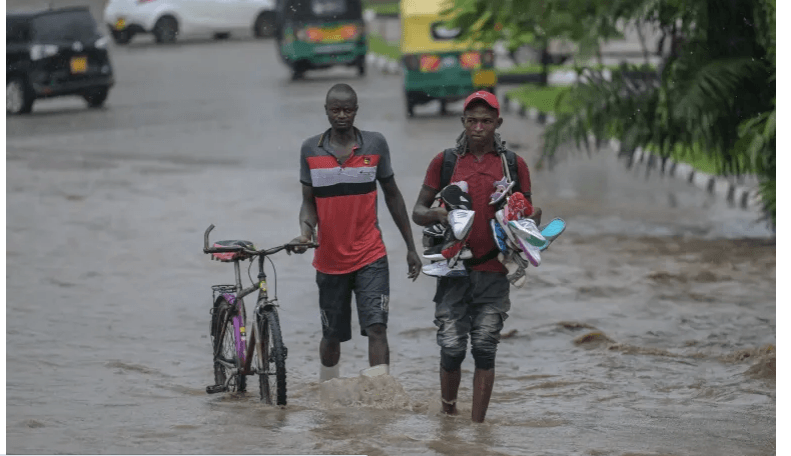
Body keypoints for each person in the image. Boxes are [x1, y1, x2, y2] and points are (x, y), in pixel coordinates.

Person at [411, 91, 541, 423]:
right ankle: (448, 415)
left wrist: (524, 222)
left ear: (498, 123)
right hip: (453, 271)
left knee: (484, 347)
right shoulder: (446, 162)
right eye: (472, 121)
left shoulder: (513, 164)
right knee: (452, 348)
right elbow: (418, 211)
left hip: (495, 270)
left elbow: (529, 211)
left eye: (486, 121)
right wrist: (441, 216)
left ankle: (479, 428)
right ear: (463, 123)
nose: (479, 127)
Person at [290, 83, 422, 381]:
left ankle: (381, 396)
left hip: (370, 255)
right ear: (326, 111)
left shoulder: (375, 145)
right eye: (335, 110)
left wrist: (411, 247)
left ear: (356, 111)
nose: (341, 116)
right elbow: (308, 203)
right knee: (332, 336)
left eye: (347, 110)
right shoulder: (311, 149)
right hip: (329, 259)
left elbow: (393, 196)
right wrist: (304, 233)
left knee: (377, 328)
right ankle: (327, 394)